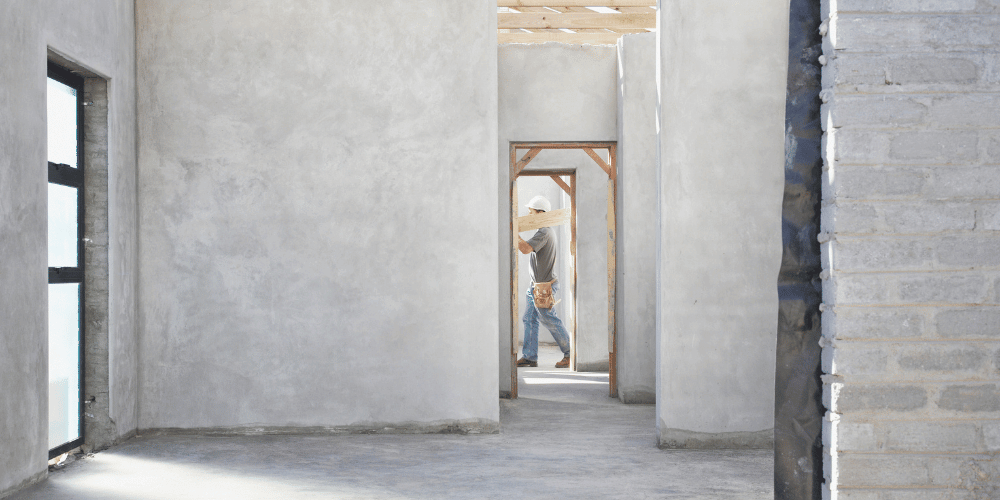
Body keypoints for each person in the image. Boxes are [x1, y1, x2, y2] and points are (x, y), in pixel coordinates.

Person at [516, 195, 571, 369]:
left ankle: (571, 353)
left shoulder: (544, 232)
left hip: (544, 287)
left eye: (531, 212)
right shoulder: (544, 231)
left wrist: (513, 232)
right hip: (536, 287)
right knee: (529, 319)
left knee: (549, 319)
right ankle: (530, 357)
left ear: (540, 213)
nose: (529, 215)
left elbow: (524, 249)